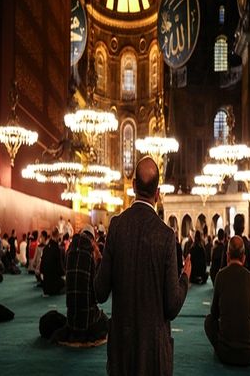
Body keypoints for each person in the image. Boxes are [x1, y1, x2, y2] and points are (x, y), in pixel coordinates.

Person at [95, 156, 191, 376]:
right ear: (158, 193)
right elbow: (172, 307)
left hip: (121, 351)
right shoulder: (166, 236)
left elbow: (100, 292)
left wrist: (99, 259)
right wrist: (185, 276)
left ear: (134, 186)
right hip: (154, 355)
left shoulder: (117, 227)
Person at [204, 235, 250, 366]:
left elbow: (214, 315)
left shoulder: (220, 276)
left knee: (208, 321)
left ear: (227, 255)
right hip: (247, 356)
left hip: (225, 354)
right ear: (244, 257)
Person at [53, 226, 108, 345]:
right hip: (88, 320)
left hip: (71, 319)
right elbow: (97, 294)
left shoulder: (69, 252)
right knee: (105, 320)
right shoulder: (92, 253)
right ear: (93, 239)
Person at [40, 227, 65, 296]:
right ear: (57, 236)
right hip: (54, 286)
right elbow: (60, 269)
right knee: (66, 283)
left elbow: (41, 267)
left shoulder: (45, 248)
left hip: (45, 286)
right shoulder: (57, 249)